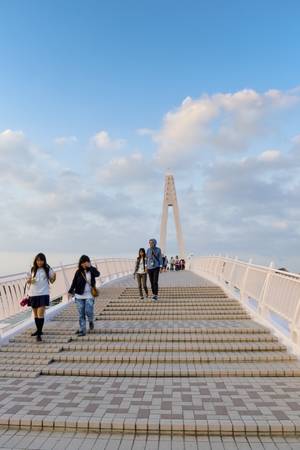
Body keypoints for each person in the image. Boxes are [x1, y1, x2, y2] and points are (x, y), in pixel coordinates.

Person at [27, 253, 56, 342]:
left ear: (44, 261)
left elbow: (52, 280)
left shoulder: (47, 269)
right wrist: (29, 281)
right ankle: (38, 331)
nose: (40, 262)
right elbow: (28, 281)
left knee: (40, 314)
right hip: (33, 294)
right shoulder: (32, 269)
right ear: (36, 261)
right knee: (35, 314)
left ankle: (39, 334)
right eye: (38, 260)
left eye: (41, 260)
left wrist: (54, 276)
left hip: (43, 294)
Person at [68, 255, 100, 336]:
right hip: (79, 295)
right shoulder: (78, 272)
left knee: (88, 311)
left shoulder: (92, 270)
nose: (84, 264)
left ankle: (90, 320)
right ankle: (82, 330)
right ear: (80, 263)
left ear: (88, 262)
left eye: (86, 262)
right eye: (82, 262)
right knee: (81, 313)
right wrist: (70, 291)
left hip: (90, 294)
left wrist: (90, 267)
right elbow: (74, 282)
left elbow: (98, 274)